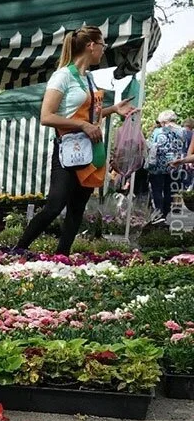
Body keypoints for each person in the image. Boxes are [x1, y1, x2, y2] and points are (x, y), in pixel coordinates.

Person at [15, 26, 136, 255]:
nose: (103, 50)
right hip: (68, 150)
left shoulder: (88, 78)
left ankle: (62, 256)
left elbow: (90, 117)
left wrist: (113, 109)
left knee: (77, 208)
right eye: (102, 45)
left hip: (90, 150)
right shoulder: (62, 76)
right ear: (91, 45)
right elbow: (46, 116)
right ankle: (18, 249)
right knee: (54, 206)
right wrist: (82, 125)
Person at [145, 111, 188, 224]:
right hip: (176, 165)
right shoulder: (183, 132)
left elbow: (150, 145)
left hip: (158, 166)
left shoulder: (158, 131)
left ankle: (159, 214)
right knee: (170, 192)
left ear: (164, 121)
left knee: (157, 190)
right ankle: (166, 214)